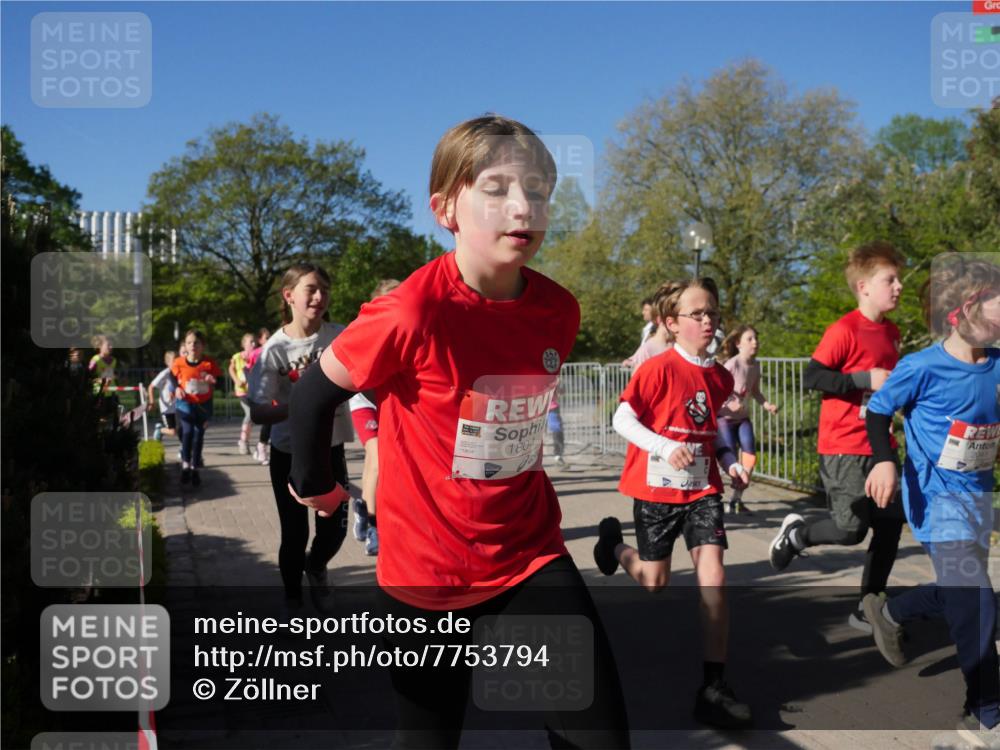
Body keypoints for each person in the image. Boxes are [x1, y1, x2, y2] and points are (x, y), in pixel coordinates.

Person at [287, 114, 629, 749]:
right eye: (496, 189)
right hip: (427, 571)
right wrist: (317, 486)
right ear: (446, 209)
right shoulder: (413, 309)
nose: (522, 206)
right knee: (429, 740)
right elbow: (311, 396)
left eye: (538, 190)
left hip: (528, 553)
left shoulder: (558, 309)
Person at [595, 276, 753, 730]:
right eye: (697, 314)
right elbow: (622, 419)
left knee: (714, 578)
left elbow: (712, 433)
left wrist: (730, 463)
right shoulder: (659, 368)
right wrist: (664, 447)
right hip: (656, 491)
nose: (708, 321)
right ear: (671, 322)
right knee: (654, 581)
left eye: (713, 313)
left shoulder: (720, 376)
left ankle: (714, 687)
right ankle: (612, 546)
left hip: (702, 490)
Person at [862, 255, 1000, 747]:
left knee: (961, 591)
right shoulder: (921, 367)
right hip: (936, 499)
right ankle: (986, 712)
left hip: (978, 497)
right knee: (977, 599)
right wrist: (884, 461)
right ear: (966, 309)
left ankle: (890, 613)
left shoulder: (997, 365)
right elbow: (877, 411)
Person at [768, 241, 907, 634]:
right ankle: (798, 535)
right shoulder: (844, 330)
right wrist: (863, 379)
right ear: (864, 287)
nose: (898, 286)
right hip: (844, 445)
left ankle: (868, 608)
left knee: (890, 526)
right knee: (850, 531)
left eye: (898, 279)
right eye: (890, 279)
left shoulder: (892, 332)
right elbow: (813, 376)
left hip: (881, 446)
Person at [248, 263, 353, 613]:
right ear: (289, 295)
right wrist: (303, 407)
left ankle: (317, 566)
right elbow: (258, 411)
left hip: (332, 448)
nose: (320, 296)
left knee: (335, 531)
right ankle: (292, 599)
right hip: (289, 453)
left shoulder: (341, 337)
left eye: (325, 289)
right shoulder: (274, 349)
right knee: (294, 534)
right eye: (311, 289)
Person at [347, 278, 401, 557]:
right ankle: (374, 525)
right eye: (391, 298)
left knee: (374, 461)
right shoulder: (366, 329)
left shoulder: (410, 326)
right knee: (378, 456)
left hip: (390, 403)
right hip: (364, 402)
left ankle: (362, 506)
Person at [717, 325, 779, 513]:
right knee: (730, 459)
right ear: (738, 344)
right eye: (750, 339)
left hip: (743, 418)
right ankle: (715, 497)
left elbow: (755, 391)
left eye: (756, 339)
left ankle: (736, 500)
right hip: (725, 418)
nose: (755, 342)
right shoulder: (732, 365)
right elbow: (717, 390)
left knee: (750, 456)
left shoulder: (756, 365)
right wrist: (729, 404)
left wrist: (767, 405)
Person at [171, 330, 221, 487]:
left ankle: (194, 468)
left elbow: (219, 381)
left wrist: (212, 380)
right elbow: (172, 377)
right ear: (185, 345)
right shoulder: (179, 362)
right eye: (189, 342)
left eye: (196, 343)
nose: (193, 345)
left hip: (203, 405)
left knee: (198, 435)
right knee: (187, 432)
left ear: (202, 345)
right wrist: (176, 388)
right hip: (185, 403)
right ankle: (185, 465)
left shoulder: (209, 363)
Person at [623, 282, 675, 369]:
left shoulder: (677, 345)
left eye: (646, 309)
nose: (643, 312)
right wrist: (633, 359)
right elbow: (645, 348)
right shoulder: (649, 334)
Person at [246, 327, 272, 465]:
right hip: (261, 391)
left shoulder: (275, 350)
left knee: (276, 422)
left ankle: (262, 447)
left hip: (275, 390)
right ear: (260, 340)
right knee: (269, 420)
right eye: (266, 338)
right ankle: (261, 447)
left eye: (270, 337)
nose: (269, 340)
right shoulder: (255, 354)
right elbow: (250, 371)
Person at [229, 333, 256, 455]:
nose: (253, 344)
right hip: (242, 391)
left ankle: (245, 441)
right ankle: (243, 441)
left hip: (253, 391)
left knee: (253, 416)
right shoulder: (237, 357)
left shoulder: (257, 356)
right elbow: (231, 369)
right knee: (250, 414)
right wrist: (236, 380)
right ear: (243, 344)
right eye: (250, 342)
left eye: (254, 342)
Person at [147, 351, 178, 440]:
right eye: (174, 361)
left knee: (183, 428)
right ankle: (160, 430)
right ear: (167, 363)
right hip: (167, 408)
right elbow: (151, 386)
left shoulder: (179, 372)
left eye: (177, 360)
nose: (176, 363)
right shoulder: (165, 373)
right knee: (172, 431)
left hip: (178, 406)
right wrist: (152, 402)